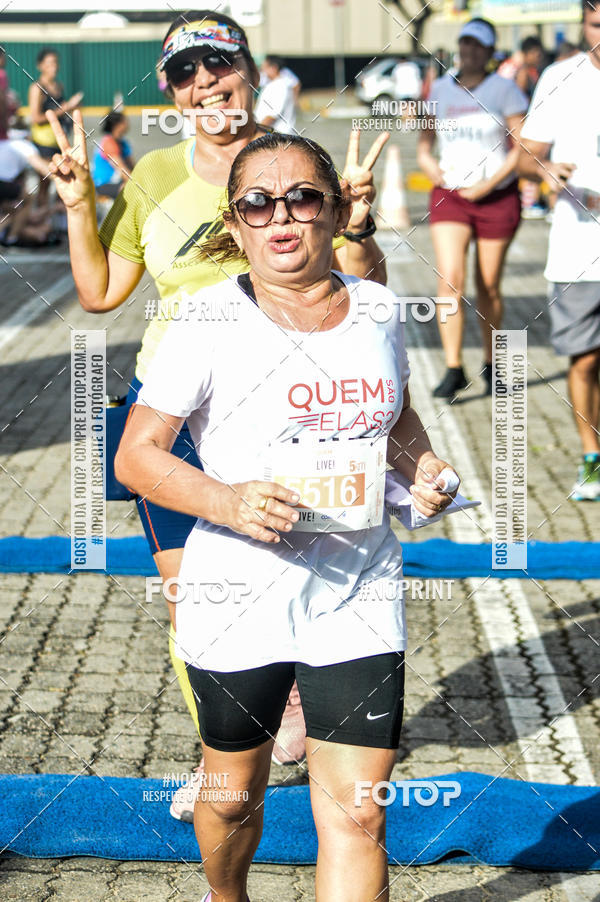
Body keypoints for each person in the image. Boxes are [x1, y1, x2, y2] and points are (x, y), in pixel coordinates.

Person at [46, 9, 389, 819]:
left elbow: (364, 284)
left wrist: (363, 226)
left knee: (301, 579)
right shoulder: (153, 175)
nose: (206, 85)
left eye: (219, 66)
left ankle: (308, 713)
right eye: (186, 74)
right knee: (190, 596)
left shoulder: (294, 161)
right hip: (173, 410)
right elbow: (98, 295)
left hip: (286, 409)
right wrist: (75, 201)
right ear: (170, 88)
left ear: (251, 69)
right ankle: (229, 753)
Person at [115, 131, 459, 902]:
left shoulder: (374, 307)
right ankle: (226, 894)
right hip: (239, 594)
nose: (281, 218)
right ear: (233, 226)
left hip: (358, 590)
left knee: (359, 814)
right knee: (234, 792)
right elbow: (137, 456)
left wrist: (424, 472)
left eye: (302, 198)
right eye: (257, 204)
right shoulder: (204, 320)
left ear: (334, 210)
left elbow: (397, 421)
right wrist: (228, 501)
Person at [416, 18, 529, 399]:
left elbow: (522, 150)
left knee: (488, 284)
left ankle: (493, 362)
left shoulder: (505, 89)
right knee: (449, 279)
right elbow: (424, 144)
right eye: (466, 43)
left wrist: (488, 184)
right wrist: (430, 167)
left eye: (479, 45)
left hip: (496, 196)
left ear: (490, 51)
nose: (470, 51)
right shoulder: (440, 89)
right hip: (450, 195)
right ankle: (453, 367)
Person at [518, 0, 600, 500]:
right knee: (586, 358)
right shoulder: (559, 76)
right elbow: (528, 155)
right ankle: (591, 458)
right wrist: (549, 172)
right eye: (596, 24)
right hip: (577, 245)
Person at [28, 47, 82, 205]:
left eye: (56, 63)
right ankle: (41, 217)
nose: (54, 67)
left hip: (59, 141)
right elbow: (36, 118)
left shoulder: (59, 86)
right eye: (50, 63)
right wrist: (64, 109)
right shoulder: (37, 88)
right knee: (45, 183)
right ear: (40, 66)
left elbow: (62, 111)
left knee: (64, 179)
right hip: (43, 143)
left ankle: (56, 220)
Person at [92, 111, 134, 198]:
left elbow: (133, 167)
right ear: (117, 125)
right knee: (129, 188)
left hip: (117, 182)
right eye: (125, 121)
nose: (127, 123)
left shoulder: (123, 143)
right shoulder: (108, 143)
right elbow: (123, 171)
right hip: (103, 185)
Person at [255, 55, 297, 134]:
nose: (262, 70)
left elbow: (272, 115)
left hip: (278, 136)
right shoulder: (272, 84)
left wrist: (255, 133)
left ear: (274, 68)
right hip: (269, 134)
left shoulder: (281, 86)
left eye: (264, 67)